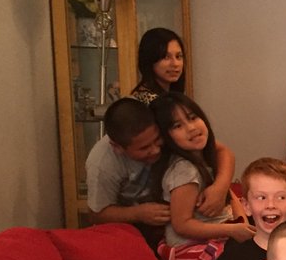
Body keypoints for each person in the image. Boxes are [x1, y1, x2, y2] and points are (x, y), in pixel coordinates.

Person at [85, 98, 234, 242]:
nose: (156, 150)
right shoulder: (102, 164)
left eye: (157, 140)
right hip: (132, 231)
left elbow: (222, 151)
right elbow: (96, 214)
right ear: (118, 148)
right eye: (144, 148)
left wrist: (220, 187)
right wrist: (138, 213)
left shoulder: (167, 133)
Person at [151, 93, 253, 260]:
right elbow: (182, 225)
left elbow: (229, 196)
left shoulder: (205, 157)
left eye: (192, 118)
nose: (191, 128)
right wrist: (232, 231)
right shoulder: (184, 170)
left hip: (221, 233)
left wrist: (242, 224)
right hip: (190, 246)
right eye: (177, 126)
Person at [129, 27, 186, 105]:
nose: (175, 64)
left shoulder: (171, 97)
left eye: (178, 56)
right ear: (149, 60)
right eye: (166, 57)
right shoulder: (147, 103)